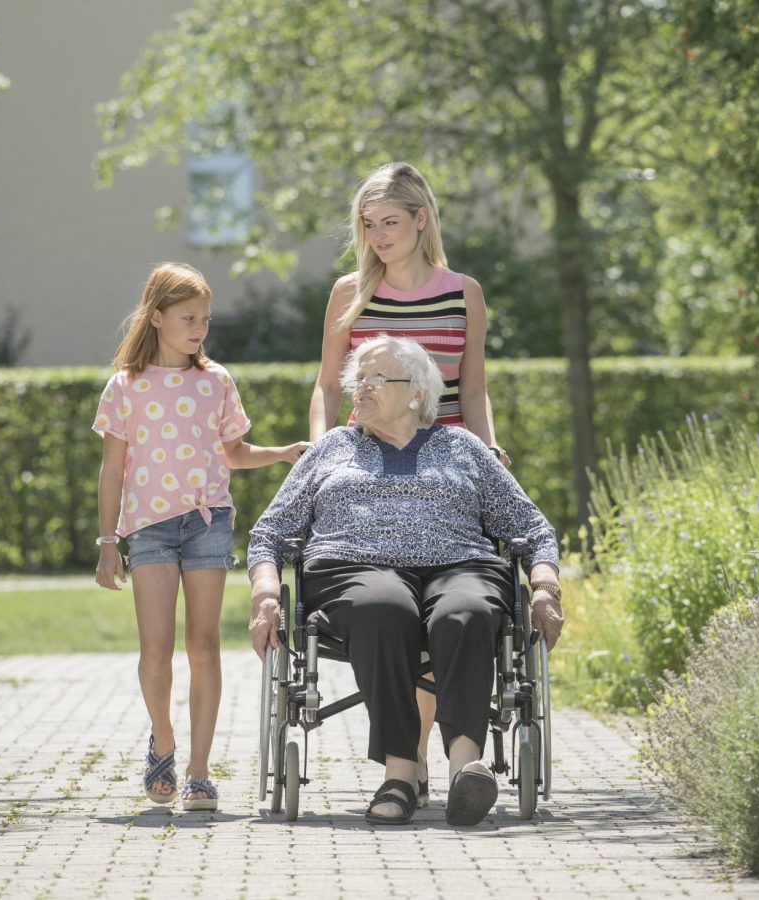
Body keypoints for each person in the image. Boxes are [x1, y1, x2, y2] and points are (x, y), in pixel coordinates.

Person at [250, 335, 563, 826]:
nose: (361, 389)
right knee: (384, 608)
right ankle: (401, 771)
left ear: (418, 393)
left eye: (376, 378)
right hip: (353, 568)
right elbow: (271, 531)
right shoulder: (332, 448)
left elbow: (531, 527)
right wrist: (266, 591)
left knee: (470, 611)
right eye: (359, 379)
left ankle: (467, 770)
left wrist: (544, 588)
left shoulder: (463, 447)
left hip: (460, 565)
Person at [307, 161, 510, 800]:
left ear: (421, 220)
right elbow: (326, 384)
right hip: (370, 463)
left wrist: (487, 449)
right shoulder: (351, 294)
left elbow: (471, 389)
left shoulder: (462, 293)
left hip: (446, 466)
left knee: (448, 596)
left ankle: (416, 760)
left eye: (389, 223)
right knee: (389, 599)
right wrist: (321, 450)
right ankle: (410, 760)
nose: (377, 238)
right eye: (368, 226)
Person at [93, 262, 307, 812]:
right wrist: (107, 542)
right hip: (147, 529)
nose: (199, 329)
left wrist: (281, 453)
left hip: (208, 521)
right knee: (157, 648)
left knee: (204, 643)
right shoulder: (126, 386)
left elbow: (234, 453)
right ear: (157, 317)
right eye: (188, 318)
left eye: (205, 319)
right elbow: (113, 470)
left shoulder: (217, 382)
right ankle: (162, 739)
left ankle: (198, 770)